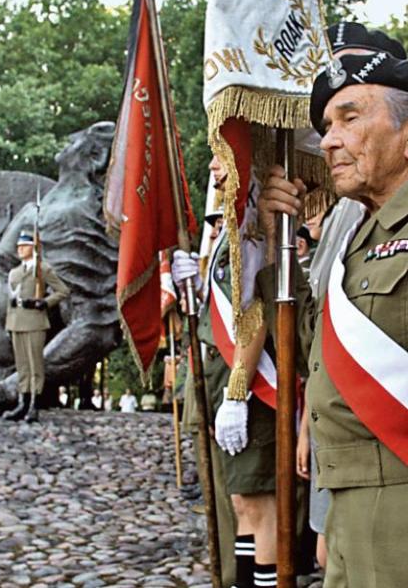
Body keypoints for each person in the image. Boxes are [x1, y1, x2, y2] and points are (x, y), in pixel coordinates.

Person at [257, 49, 408, 588]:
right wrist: (273, 247)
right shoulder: (358, 238)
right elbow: (315, 354)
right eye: (326, 126)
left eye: (350, 118)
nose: (327, 141)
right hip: (346, 498)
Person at [174, 154, 278, 588]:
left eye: (223, 156)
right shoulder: (232, 227)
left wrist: (236, 394)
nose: (214, 167)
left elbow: (254, 311)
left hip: (251, 384)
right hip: (228, 379)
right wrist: (196, 287)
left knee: (257, 504)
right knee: (241, 504)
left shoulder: (252, 226)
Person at [3, 230, 70, 422]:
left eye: (24, 246)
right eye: (18, 246)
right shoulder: (14, 273)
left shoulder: (42, 270)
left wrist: (45, 302)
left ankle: (34, 404)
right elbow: (10, 300)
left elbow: (63, 291)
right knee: (22, 366)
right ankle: (22, 403)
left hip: (34, 321)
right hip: (17, 321)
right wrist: (9, 323)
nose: (19, 249)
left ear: (33, 248)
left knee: (35, 365)